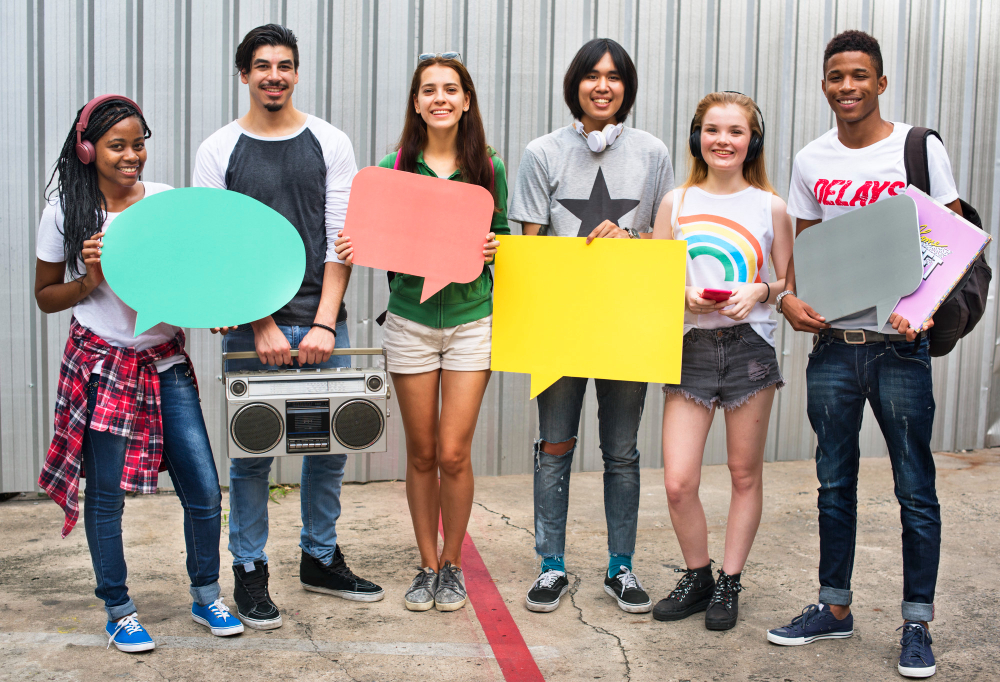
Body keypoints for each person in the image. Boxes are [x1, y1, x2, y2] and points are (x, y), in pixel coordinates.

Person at [767, 31, 961, 678]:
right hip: (833, 348)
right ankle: (834, 608)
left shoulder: (916, 147)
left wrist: (927, 305)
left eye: (858, 75)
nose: (846, 86)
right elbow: (804, 248)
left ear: (880, 83)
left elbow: (952, 237)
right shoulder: (811, 159)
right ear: (824, 85)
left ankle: (917, 623)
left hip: (900, 348)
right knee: (833, 484)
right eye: (835, 76)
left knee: (915, 489)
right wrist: (788, 299)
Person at [192, 24, 383, 631]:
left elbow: (340, 239)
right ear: (244, 74)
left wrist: (324, 322)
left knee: (329, 451)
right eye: (262, 66)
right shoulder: (218, 149)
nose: (274, 76)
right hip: (254, 332)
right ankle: (249, 570)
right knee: (251, 458)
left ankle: (319, 558)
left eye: (284, 65)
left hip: (323, 323)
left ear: (296, 73)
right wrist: (264, 323)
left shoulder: (331, 141)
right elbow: (221, 246)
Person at [35, 95, 242, 653]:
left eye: (138, 144)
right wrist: (90, 279)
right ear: (87, 150)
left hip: (164, 363)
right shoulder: (67, 213)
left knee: (204, 488)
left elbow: (192, 277)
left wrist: (214, 310)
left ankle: (206, 596)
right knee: (106, 498)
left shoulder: (165, 202)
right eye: (117, 146)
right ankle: (118, 610)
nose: (131, 156)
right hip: (103, 366)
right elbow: (45, 296)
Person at [335, 53, 507, 612]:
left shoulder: (488, 168)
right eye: (429, 89)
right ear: (416, 102)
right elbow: (370, 236)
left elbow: (504, 240)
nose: (440, 98)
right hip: (409, 324)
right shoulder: (393, 168)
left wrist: (495, 248)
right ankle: (427, 564)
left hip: (471, 324)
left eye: (450, 89)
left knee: (454, 453)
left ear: (466, 100)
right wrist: (353, 243)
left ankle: (453, 564)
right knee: (423, 452)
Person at [509, 38, 674, 614]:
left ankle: (620, 567)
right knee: (555, 445)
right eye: (592, 75)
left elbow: (664, 243)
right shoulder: (541, 153)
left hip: (627, 324)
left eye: (614, 77)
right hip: (560, 326)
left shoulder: (653, 153)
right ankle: (550, 565)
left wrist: (629, 240)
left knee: (622, 451)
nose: (602, 86)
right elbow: (530, 250)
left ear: (627, 88)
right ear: (574, 84)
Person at [649, 92, 792, 630]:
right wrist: (679, 294)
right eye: (713, 130)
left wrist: (760, 290)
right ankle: (698, 575)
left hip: (749, 350)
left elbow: (788, 283)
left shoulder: (770, 206)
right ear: (697, 138)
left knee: (743, 473)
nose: (723, 140)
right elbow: (653, 278)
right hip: (690, 349)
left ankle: (729, 583)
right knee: (678, 481)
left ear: (752, 141)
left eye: (736, 131)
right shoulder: (676, 202)